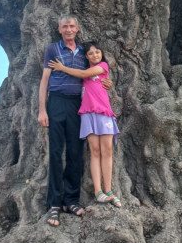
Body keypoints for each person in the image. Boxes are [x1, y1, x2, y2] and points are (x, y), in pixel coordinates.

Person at [38, 16, 112, 227]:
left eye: (72, 26)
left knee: (75, 152)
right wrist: (42, 109)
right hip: (56, 102)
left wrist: (106, 82)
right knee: (55, 152)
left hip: (77, 106)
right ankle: (53, 203)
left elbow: (93, 75)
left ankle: (71, 200)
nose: (68, 29)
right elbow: (44, 80)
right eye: (64, 26)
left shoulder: (84, 53)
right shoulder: (53, 49)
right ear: (59, 29)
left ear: (77, 29)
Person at [48, 41, 121, 209]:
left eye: (97, 52)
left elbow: (82, 74)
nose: (95, 55)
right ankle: (98, 191)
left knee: (107, 150)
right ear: (86, 57)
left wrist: (62, 67)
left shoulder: (102, 66)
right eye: (90, 53)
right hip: (88, 114)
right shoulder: (84, 76)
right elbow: (80, 78)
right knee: (94, 152)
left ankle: (109, 190)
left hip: (104, 114)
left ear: (102, 54)